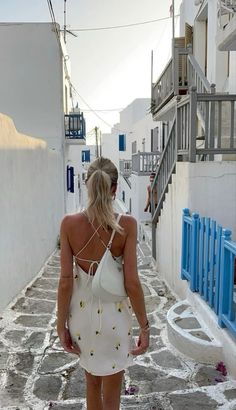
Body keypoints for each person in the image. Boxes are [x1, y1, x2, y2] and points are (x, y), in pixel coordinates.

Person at [57, 157, 149, 410]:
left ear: (87, 185)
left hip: (81, 318)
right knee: (112, 392)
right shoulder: (127, 225)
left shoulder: (68, 224)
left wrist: (60, 324)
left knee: (91, 383)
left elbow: (65, 282)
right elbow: (132, 282)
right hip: (115, 317)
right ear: (114, 189)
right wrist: (145, 326)